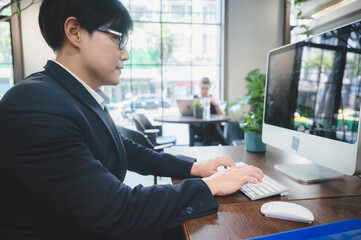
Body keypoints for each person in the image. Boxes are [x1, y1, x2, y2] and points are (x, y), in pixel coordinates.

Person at [0, 1, 263, 239]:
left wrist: (195, 167)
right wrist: (212, 185)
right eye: (119, 40)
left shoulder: (70, 95)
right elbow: (117, 210)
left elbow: (122, 147)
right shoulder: (34, 105)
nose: (125, 54)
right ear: (75, 31)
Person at [194, 77, 230, 146]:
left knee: (211, 126)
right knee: (212, 125)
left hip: (210, 125)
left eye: (206, 88)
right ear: (199, 87)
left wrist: (215, 104)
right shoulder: (195, 99)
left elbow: (223, 114)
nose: (204, 91)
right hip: (199, 127)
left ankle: (204, 148)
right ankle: (227, 145)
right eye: (202, 88)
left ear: (209, 88)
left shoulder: (213, 99)